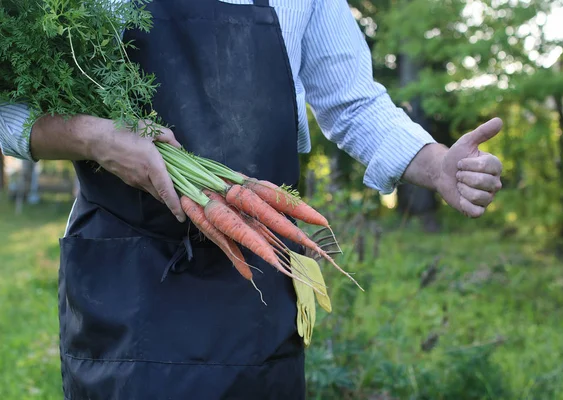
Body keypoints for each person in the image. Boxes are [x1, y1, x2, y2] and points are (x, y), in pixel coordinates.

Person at [0, 0, 503, 398]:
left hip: (258, 280)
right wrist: (94, 138)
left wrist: (437, 164)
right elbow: (8, 108)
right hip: (127, 290)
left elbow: (353, 102)